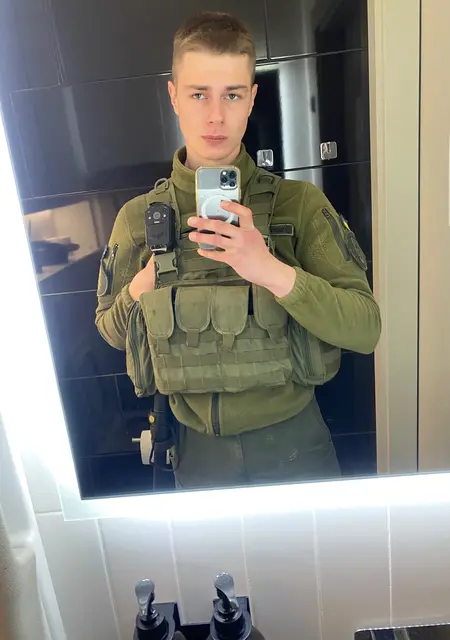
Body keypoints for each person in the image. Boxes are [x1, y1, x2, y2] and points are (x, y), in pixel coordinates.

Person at [95, 11, 381, 490]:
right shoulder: (139, 218)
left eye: (231, 95)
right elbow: (110, 330)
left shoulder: (300, 205)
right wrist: (143, 283)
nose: (215, 116)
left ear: (251, 98)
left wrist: (270, 271)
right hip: (197, 461)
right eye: (199, 94)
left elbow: (365, 329)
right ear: (174, 97)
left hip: (296, 453)